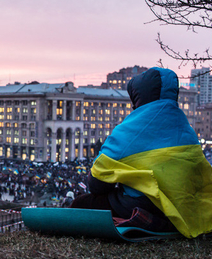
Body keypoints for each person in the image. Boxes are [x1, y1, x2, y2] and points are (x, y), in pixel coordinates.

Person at [70, 67, 212, 238]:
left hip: (145, 206)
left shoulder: (131, 130)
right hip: (185, 210)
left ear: (138, 98)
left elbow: (97, 184)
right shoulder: (188, 131)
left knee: (82, 203)